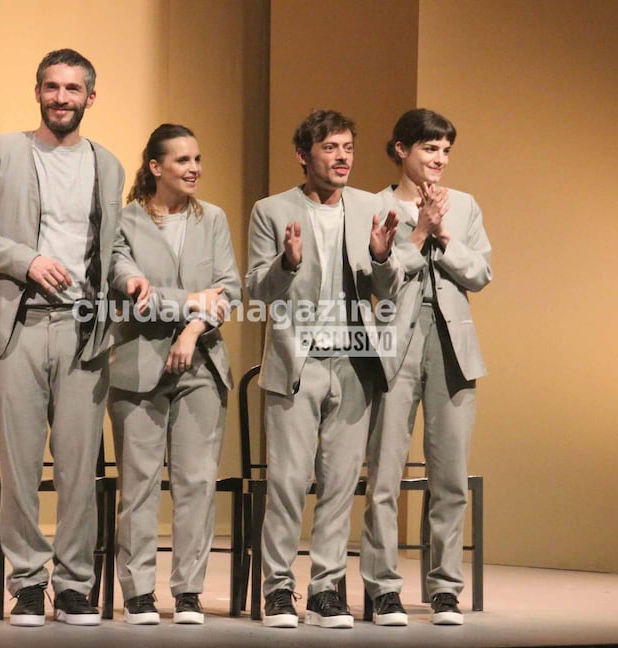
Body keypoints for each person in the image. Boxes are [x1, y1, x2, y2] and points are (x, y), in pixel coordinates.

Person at [0, 48, 130, 627]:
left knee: (80, 467)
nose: (61, 98)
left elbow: (110, 247)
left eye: (72, 89)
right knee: (20, 465)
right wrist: (27, 260)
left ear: (90, 98)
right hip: (19, 325)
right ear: (37, 92)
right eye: (51, 87)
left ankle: (76, 584)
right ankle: (27, 583)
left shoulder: (108, 164)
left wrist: (127, 282)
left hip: (83, 329)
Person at [246, 109, 401, 629]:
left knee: (339, 484)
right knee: (289, 482)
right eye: (331, 148)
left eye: (348, 148)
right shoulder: (271, 210)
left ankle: (327, 589)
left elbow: (390, 287)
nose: (342, 158)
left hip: (355, 361)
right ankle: (276, 588)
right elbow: (257, 289)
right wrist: (286, 263)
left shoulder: (372, 207)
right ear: (304, 155)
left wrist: (382, 257)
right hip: (298, 361)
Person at [106, 124, 242, 626]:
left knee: (196, 483)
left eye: (198, 159)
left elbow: (229, 289)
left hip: (201, 363)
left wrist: (191, 331)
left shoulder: (214, 219)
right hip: (138, 364)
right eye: (182, 160)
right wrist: (187, 301)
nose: (194, 169)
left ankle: (188, 591)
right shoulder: (125, 222)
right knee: (138, 484)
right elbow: (128, 287)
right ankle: (139, 591)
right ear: (156, 167)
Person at [361, 108, 492, 626]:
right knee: (385, 473)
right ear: (401, 150)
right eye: (428, 149)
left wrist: (442, 235)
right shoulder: (374, 205)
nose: (438, 159)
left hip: (452, 346)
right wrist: (417, 234)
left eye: (445, 151)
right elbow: (379, 281)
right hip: (395, 342)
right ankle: (384, 588)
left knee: (449, 475)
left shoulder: (464, 205)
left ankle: (444, 589)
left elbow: (481, 272)